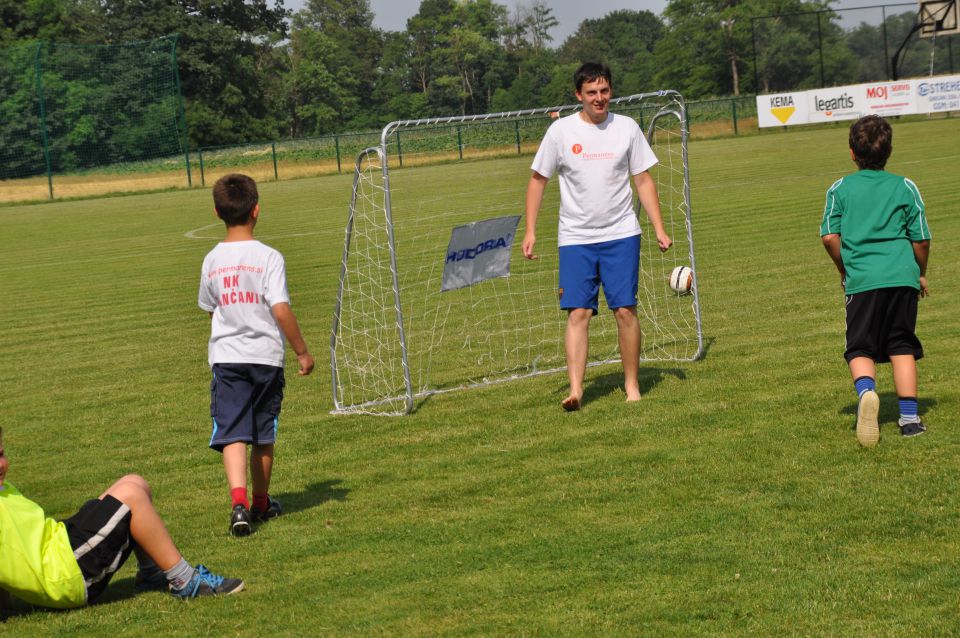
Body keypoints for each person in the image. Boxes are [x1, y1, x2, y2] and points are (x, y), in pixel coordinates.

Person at [523, 62, 672, 411]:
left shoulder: (628, 128)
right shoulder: (560, 132)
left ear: (611, 92)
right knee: (578, 313)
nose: (599, 98)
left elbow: (644, 181)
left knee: (625, 310)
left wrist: (659, 227)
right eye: (591, 92)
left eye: (604, 91)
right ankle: (576, 390)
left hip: (622, 233)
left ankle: (631, 385)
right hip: (575, 237)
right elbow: (537, 179)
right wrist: (530, 230)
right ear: (579, 95)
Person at [0, 428, 243, 609]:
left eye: (1, 453)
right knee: (132, 497)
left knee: (134, 482)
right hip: (65, 574)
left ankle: (150, 573)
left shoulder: (4, 488)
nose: (1, 464)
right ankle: (185, 581)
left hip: (61, 541)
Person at [198, 174, 315, 536]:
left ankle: (238, 505)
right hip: (265, 357)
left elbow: (208, 305)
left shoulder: (212, 259)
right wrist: (303, 351)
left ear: (217, 211)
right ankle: (261, 503)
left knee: (232, 432)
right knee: (263, 434)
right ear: (257, 210)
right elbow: (280, 310)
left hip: (228, 357)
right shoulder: (269, 257)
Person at [820, 114, 931, 448]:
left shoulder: (840, 189)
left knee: (860, 347)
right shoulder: (905, 186)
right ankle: (910, 420)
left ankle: (867, 392)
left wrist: (845, 268)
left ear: (852, 153)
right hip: (902, 278)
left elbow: (829, 237)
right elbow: (921, 239)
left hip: (863, 279)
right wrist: (920, 272)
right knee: (901, 344)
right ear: (890, 151)